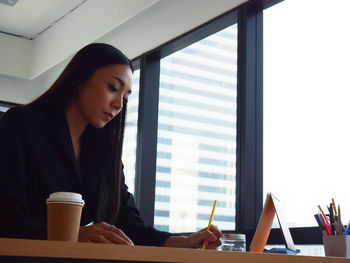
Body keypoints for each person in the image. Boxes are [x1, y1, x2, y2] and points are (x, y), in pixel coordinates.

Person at [0, 43, 222, 248]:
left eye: (125, 97)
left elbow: (129, 225)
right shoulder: (21, 125)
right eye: (113, 88)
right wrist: (73, 235)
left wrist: (184, 242)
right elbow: (6, 219)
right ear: (81, 79)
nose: (118, 105)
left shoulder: (104, 153)